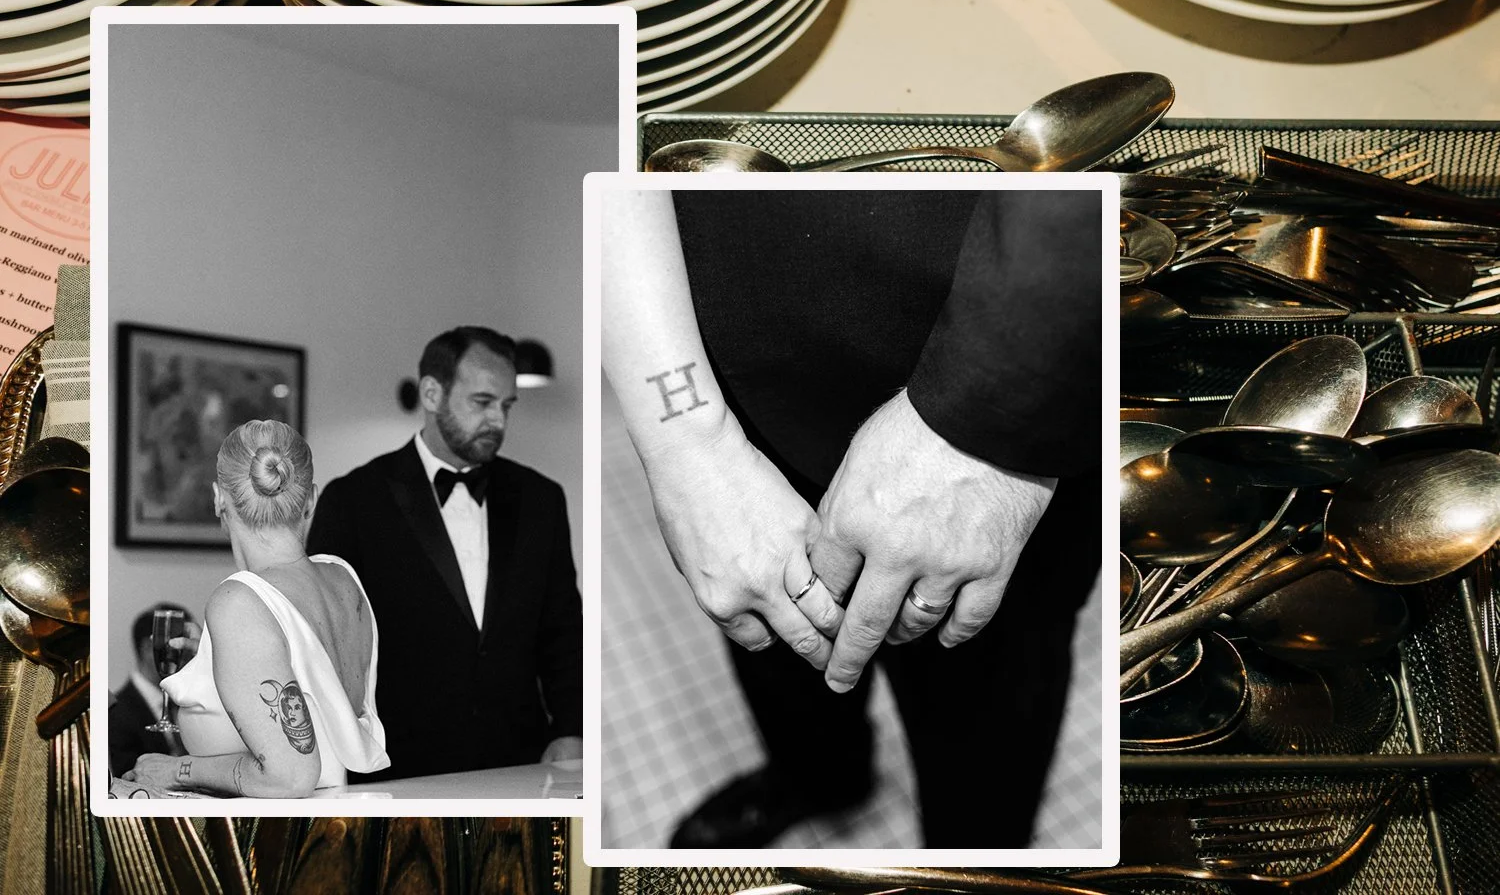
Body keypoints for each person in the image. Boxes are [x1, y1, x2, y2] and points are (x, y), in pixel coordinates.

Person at [602, 188, 1102, 848]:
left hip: (1002, 394)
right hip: (738, 387)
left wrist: (990, 412)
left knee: (989, 708)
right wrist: (687, 445)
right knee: (776, 650)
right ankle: (821, 777)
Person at [306, 327, 583, 781]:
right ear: (432, 394)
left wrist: (572, 728)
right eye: (482, 402)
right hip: (398, 770)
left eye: (507, 405)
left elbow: (564, 628)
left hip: (520, 763)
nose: (499, 421)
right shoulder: (353, 500)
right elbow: (324, 642)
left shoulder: (541, 499)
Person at [121, 420, 389, 796]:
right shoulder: (344, 578)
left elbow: (291, 776)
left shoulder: (239, 601)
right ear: (310, 499)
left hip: (264, 838)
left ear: (218, 497)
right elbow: (315, 684)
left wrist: (177, 770)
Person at [108, 603, 195, 777]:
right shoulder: (115, 714)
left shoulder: (187, 703)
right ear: (150, 648)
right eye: (181, 647)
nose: (190, 656)